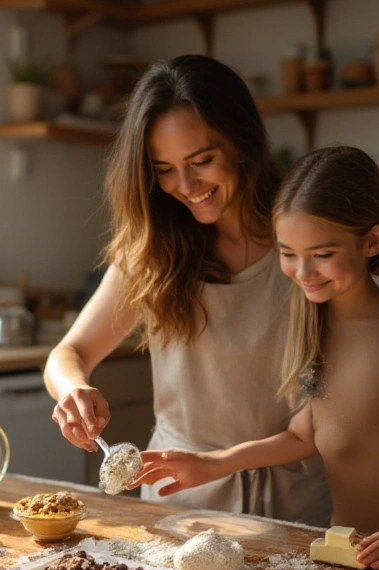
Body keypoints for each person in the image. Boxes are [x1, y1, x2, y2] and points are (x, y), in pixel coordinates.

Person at [133, 146, 379, 570]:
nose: (303, 271)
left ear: (372, 242)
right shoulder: (314, 327)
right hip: (343, 559)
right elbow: (306, 434)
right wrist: (213, 464)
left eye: (322, 254)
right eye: (288, 253)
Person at [44, 55, 332, 526]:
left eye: (202, 161)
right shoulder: (153, 250)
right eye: (164, 169)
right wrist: (73, 389)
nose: (186, 185)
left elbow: (336, 399)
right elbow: (69, 351)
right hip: (179, 505)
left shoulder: (301, 239)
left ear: (241, 142)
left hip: (295, 505)